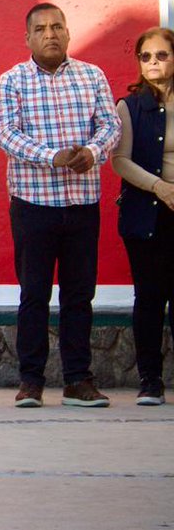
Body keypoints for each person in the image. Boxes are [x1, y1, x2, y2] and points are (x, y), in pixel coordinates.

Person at [0, 2, 121, 408]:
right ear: (27, 37)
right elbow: (5, 134)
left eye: (57, 26)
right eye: (41, 28)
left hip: (82, 204)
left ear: (68, 33)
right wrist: (53, 156)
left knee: (79, 295)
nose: (50, 33)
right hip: (33, 205)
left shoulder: (91, 76)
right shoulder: (12, 81)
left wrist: (94, 150)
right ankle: (31, 381)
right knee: (34, 293)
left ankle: (78, 380)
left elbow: (111, 125)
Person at [110, 26, 174, 406]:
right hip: (148, 214)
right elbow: (120, 161)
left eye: (161, 55)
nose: (153, 62)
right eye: (146, 56)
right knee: (149, 298)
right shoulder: (130, 106)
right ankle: (150, 380)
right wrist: (161, 188)